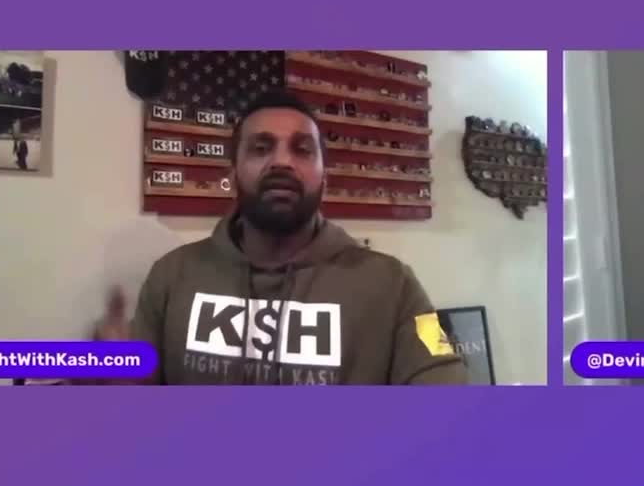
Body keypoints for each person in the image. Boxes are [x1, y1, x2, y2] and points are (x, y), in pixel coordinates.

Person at [96, 90, 468, 385]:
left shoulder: (396, 287)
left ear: (325, 178)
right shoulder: (171, 276)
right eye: (261, 148)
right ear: (234, 172)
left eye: (302, 149)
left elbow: (445, 383)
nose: (282, 162)